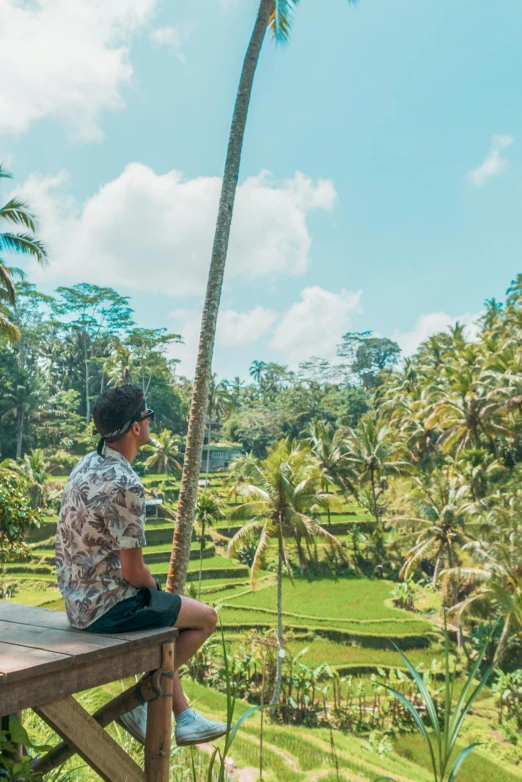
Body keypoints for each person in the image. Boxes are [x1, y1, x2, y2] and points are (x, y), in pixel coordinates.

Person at [56, 384, 227, 746]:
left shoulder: (87, 463)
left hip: (77, 601)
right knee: (205, 617)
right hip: (105, 610)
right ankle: (142, 701)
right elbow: (134, 573)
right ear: (136, 427)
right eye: (147, 415)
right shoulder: (128, 484)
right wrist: (157, 590)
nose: (150, 421)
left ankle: (183, 715)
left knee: (165, 615)